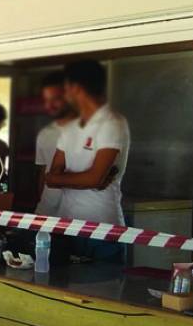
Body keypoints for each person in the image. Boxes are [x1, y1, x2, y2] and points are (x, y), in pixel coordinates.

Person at [45, 60, 130, 262]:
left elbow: (93, 178)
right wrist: (89, 179)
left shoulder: (112, 123)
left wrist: (89, 179)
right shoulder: (70, 129)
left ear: (75, 88)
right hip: (68, 227)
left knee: (106, 281)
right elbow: (50, 177)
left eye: (66, 87)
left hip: (102, 230)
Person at [34, 72, 78, 216]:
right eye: (46, 100)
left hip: (78, 213)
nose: (50, 105)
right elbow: (43, 173)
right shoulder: (45, 134)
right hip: (47, 210)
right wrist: (42, 203)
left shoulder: (90, 131)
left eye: (56, 99)